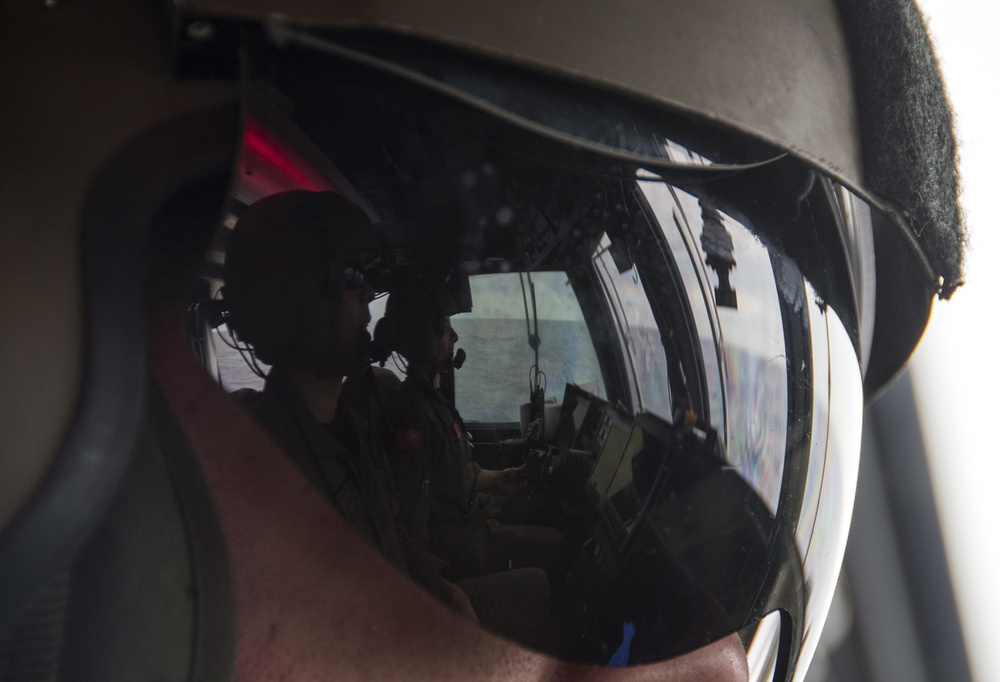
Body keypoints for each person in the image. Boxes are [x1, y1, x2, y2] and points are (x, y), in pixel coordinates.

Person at [222, 190, 556, 650]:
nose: (368, 295)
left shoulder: (351, 430)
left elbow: (396, 533)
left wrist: (439, 588)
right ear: (300, 299)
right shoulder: (268, 471)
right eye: (352, 277)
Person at [374, 284, 568, 583]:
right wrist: (434, 584)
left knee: (545, 504)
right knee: (554, 544)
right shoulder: (413, 414)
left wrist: (498, 479)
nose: (454, 337)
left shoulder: (432, 401)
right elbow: (414, 516)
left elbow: (449, 473)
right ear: (427, 336)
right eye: (446, 328)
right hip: (458, 539)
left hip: (470, 515)